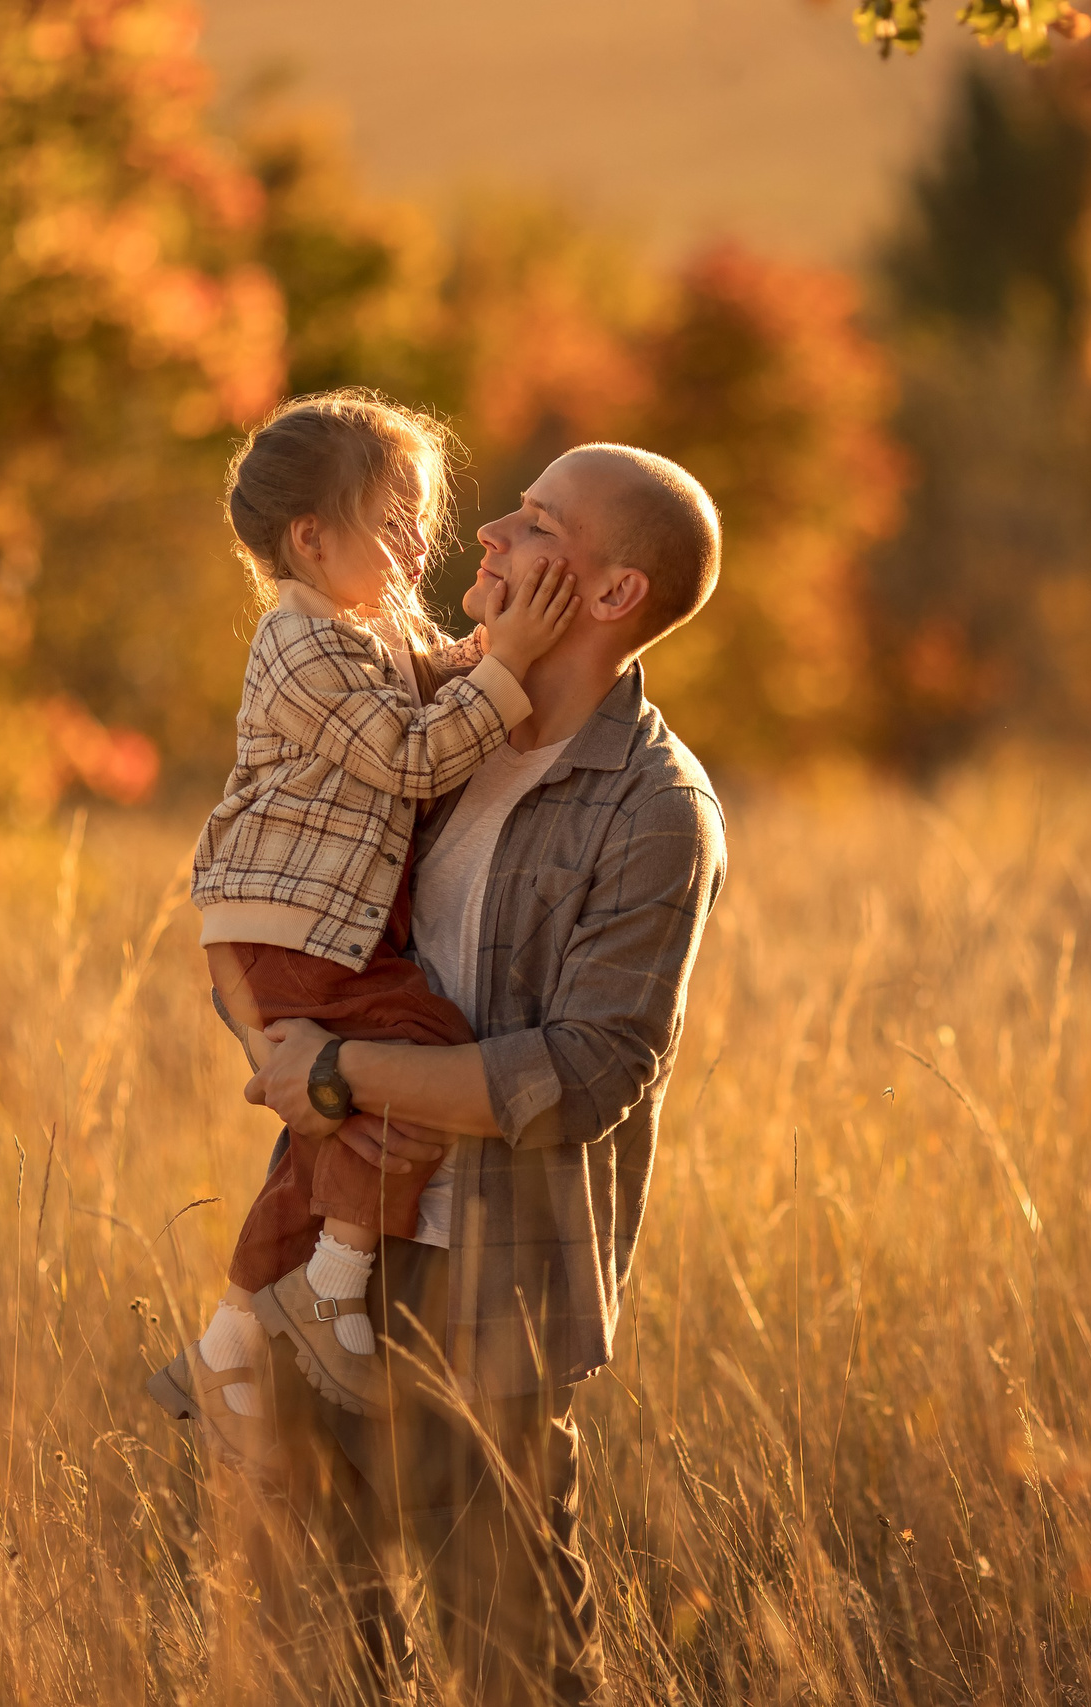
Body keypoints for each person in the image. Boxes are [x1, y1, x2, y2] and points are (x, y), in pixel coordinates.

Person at [177, 439, 729, 1706]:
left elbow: (587, 1075)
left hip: (491, 1306)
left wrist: (334, 1076)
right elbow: (284, 901)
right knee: (314, 1658)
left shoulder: (651, 809)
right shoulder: (432, 730)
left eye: (535, 526)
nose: (487, 536)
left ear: (606, 596)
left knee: (516, 1667)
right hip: (329, 1257)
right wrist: (272, 1032)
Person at [146, 389, 581, 1448]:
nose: (421, 542)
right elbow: (411, 751)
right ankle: (333, 1289)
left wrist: (486, 654)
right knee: (424, 1052)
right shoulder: (297, 647)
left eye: (421, 520)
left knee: (330, 1122)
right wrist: (514, 665)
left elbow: (432, 677)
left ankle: (230, 1340)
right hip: (283, 930)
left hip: (312, 929)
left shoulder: (370, 625)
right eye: (396, 523)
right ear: (312, 537)